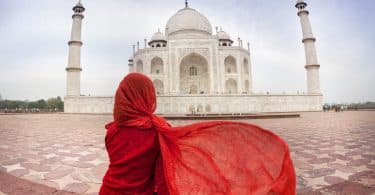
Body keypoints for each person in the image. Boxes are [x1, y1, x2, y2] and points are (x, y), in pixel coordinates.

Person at [100, 73, 296, 195]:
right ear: (148, 96)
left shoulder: (112, 131)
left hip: (107, 190)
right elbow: (163, 176)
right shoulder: (157, 130)